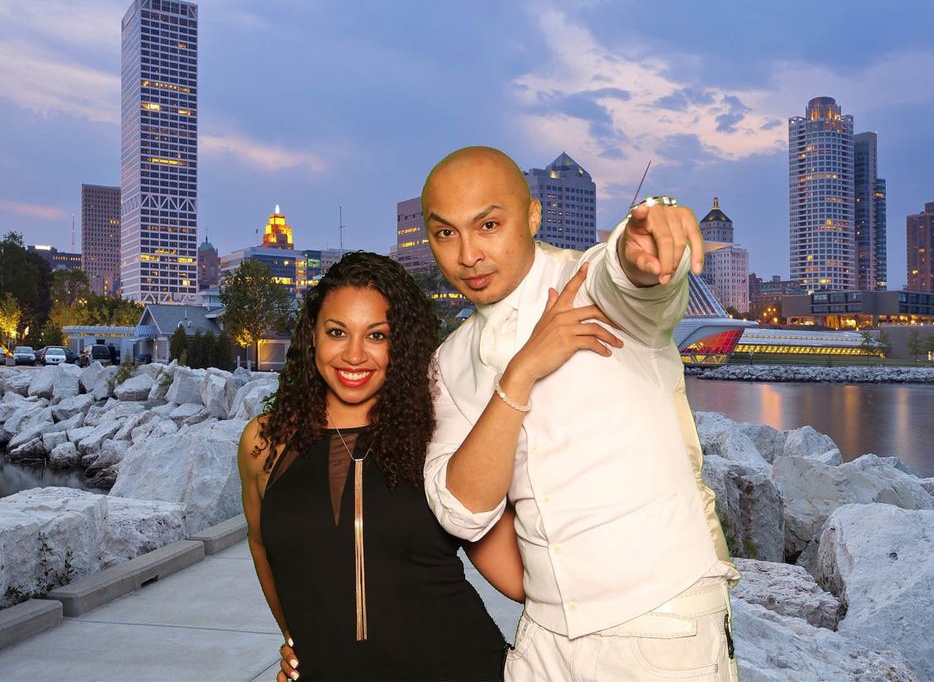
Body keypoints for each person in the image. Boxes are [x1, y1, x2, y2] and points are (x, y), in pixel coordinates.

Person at [418, 146, 742, 680]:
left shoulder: (590, 281)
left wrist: (645, 243)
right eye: (445, 233)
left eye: (489, 225)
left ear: (533, 216)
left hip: (660, 624)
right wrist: (520, 374)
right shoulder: (448, 362)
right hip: (543, 639)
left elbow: (632, 277)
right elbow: (461, 514)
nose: (468, 254)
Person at [239, 252, 521, 682]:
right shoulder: (265, 442)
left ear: (400, 344)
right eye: (337, 332)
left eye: (377, 335)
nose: (354, 355)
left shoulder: (440, 437)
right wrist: (297, 638)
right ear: (313, 336)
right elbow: (261, 544)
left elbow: (517, 578)